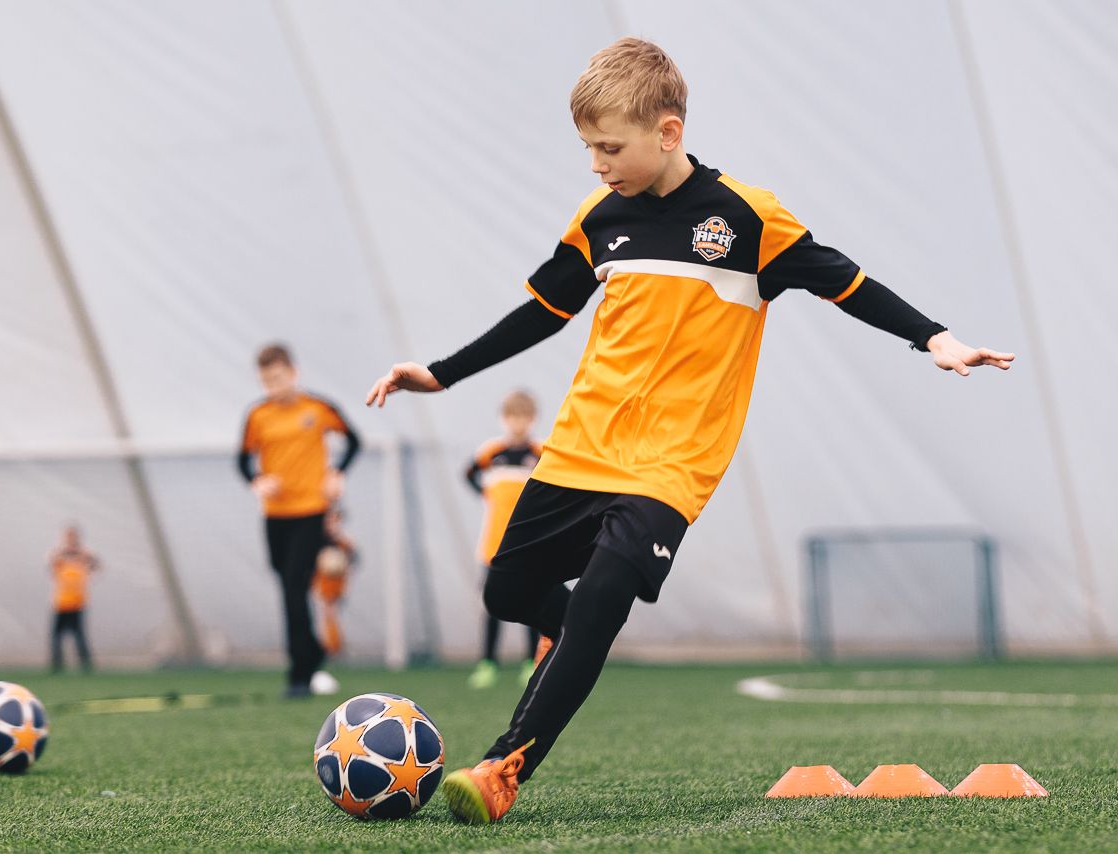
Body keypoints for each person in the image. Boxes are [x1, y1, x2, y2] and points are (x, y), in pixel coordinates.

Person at [364, 37, 1014, 823]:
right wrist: (442, 372)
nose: (596, 165)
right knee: (507, 591)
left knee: (602, 595)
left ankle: (504, 766)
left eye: (610, 148)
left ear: (667, 132)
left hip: (672, 466)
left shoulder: (748, 217)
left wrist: (934, 337)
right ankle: (573, 645)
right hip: (580, 448)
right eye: (588, 148)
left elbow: (846, 282)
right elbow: (543, 311)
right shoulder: (598, 220)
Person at [239, 343, 360, 698]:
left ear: (294, 373)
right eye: (266, 381)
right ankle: (314, 652)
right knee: (288, 585)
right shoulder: (258, 415)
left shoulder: (318, 408)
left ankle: (299, 674)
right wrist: (258, 481)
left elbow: (354, 441)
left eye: (277, 378)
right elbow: (243, 460)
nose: (272, 387)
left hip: (311, 511)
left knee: (294, 585)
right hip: (276, 516)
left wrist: (337, 472)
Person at [464, 390, 543, 689]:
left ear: (532, 419)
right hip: (493, 544)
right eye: (512, 416)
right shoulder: (491, 452)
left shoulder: (540, 453)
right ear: (503, 418)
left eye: (523, 416)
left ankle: (531, 662)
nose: (517, 423)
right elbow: (468, 473)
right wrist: (486, 494)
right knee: (491, 603)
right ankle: (488, 663)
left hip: (529, 543)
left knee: (532, 604)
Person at [48, 524, 98, 673]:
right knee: (56, 636)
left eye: (73, 536)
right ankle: (57, 665)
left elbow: (95, 564)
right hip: (61, 602)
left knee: (79, 635)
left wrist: (80, 554)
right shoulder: (60, 556)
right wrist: (65, 553)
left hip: (77, 602)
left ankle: (85, 664)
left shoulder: (84, 556)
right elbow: (52, 564)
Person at [312, 506, 357, 656]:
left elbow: (352, 562)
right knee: (325, 613)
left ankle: (333, 646)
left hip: (337, 582)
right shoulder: (319, 539)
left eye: (336, 520)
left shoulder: (345, 542)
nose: (333, 524)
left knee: (332, 612)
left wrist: (348, 581)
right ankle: (329, 645)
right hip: (322, 581)